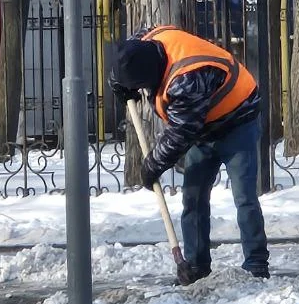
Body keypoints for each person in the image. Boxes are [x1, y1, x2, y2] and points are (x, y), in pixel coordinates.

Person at [110, 25, 269, 284]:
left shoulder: (186, 79)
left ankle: (256, 264)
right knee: (193, 198)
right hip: (203, 126)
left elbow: (180, 133)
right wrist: (119, 84)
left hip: (238, 119)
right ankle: (195, 266)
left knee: (245, 197)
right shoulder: (145, 41)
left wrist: (152, 165)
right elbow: (122, 60)